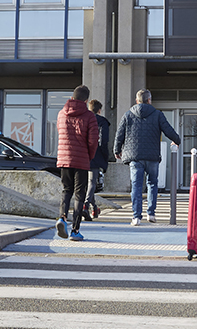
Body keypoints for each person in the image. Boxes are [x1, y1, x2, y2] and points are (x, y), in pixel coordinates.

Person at [114, 89, 181, 226]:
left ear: (137, 101)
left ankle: (136, 217)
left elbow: (119, 134)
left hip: (135, 156)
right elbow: (168, 130)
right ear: (149, 100)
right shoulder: (157, 114)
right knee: (152, 183)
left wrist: (117, 150)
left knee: (136, 186)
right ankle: (151, 214)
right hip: (152, 156)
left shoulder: (128, 115)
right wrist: (177, 140)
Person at [54, 85, 99, 242]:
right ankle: (75, 230)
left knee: (66, 190)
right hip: (81, 161)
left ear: (72, 97)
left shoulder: (61, 114)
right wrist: (89, 157)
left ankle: (62, 218)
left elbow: (61, 134)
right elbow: (93, 142)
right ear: (86, 100)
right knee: (80, 195)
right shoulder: (89, 116)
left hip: (64, 159)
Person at [83, 99, 112, 220]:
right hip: (96, 155)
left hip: (83, 154)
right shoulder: (102, 122)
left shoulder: (84, 119)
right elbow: (104, 141)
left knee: (89, 183)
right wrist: (105, 157)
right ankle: (85, 205)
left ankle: (94, 208)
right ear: (99, 110)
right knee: (92, 182)